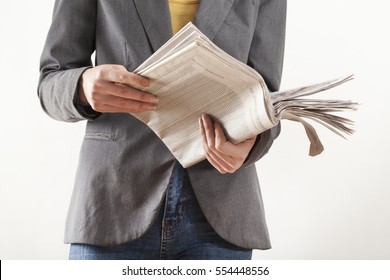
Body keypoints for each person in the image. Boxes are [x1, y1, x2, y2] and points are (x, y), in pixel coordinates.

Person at [38, 0, 286, 260]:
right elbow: (50, 81)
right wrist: (83, 85)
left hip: (222, 210)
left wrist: (252, 144)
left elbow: (269, 99)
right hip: (111, 201)